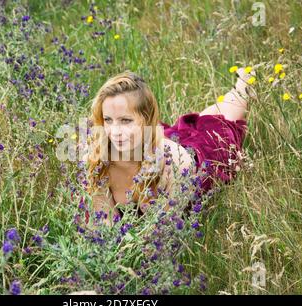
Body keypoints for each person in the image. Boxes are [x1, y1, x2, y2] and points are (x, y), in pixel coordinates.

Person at [81, 67, 256, 226]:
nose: (115, 131)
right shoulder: (97, 159)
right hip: (156, 141)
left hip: (202, 157)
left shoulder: (176, 166)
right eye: (108, 120)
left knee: (222, 121)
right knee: (192, 126)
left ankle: (244, 82)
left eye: (126, 120)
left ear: (147, 119)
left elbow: (161, 232)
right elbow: (103, 226)